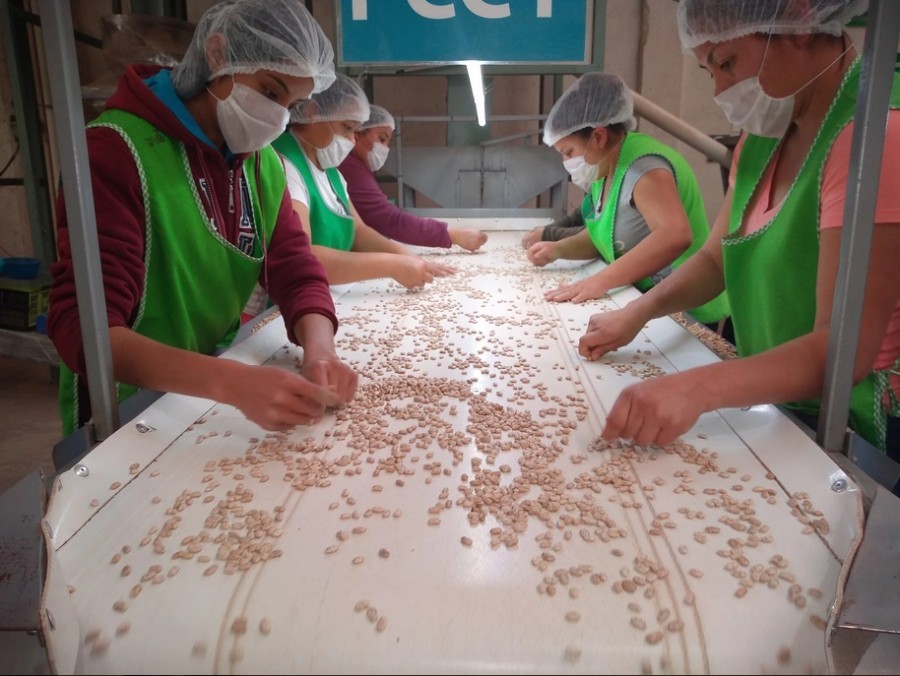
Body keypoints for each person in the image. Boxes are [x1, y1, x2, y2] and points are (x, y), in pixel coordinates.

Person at [579, 0, 900, 469]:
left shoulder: (876, 136)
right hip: (783, 404)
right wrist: (639, 312)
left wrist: (697, 387)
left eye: (727, 63)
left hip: (861, 433)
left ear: (801, 26)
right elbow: (716, 260)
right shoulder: (764, 136)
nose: (722, 90)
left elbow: (843, 349)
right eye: (710, 72)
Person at [48, 0, 358, 437]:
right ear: (217, 55)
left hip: (210, 390)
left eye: (292, 103)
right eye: (270, 92)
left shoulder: (261, 165)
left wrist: (320, 349)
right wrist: (231, 382)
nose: (277, 116)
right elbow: (86, 330)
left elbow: (295, 268)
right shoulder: (114, 149)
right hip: (125, 409)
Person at [527, 72, 730, 330]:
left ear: (598, 137)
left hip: (688, 309)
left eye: (569, 152)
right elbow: (606, 236)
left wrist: (600, 281)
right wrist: (557, 249)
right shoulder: (606, 167)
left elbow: (675, 235)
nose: (567, 162)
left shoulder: (644, 167)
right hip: (649, 303)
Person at [264, 74, 456, 293]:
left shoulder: (331, 172)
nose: (352, 140)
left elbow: (358, 231)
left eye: (355, 131)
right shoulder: (284, 163)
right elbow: (301, 255)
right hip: (285, 306)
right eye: (347, 127)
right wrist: (391, 265)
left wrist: (408, 257)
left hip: (328, 294)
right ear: (313, 112)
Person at [340, 104, 489, 253]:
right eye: (382, 139)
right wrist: (454, 236)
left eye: (388, 143)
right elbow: (389, 220)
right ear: (357, 134)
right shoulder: (349, 166)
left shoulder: (358, 167)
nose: (385, 148)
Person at [520, 207, 585, 249]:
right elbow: (575, 218)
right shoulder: (593, 190)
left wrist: (546, 234)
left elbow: (591, 234)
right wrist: (543, 230)